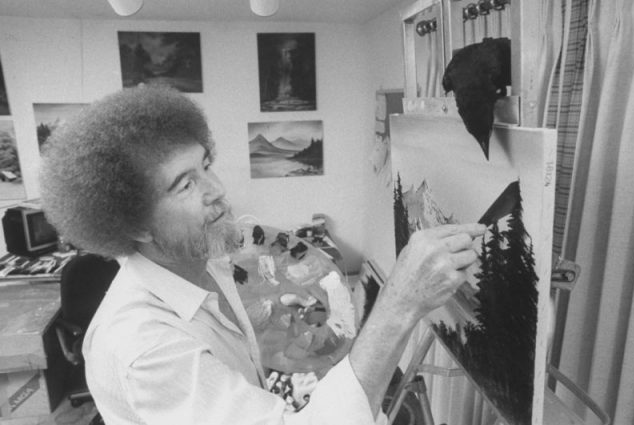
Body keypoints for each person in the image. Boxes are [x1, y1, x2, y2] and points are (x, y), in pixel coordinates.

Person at [39, 85, 485, 425]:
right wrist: (400, 303)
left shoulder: (205, 261)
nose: (217, 192)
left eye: (206, 167)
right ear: (133, 223)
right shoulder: (144, 350)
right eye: (185, 185)